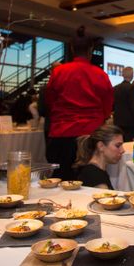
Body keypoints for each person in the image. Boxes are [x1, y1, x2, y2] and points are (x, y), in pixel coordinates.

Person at [45, 26, 114, 180]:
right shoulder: (100, 75)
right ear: (90, 49)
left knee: (60, 179)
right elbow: (107, 105)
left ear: (71, 48)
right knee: (88, 179)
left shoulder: (59, 72)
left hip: (61, 133)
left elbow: (50, 100)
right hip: (90, 135)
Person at [73, 124, 125, 189]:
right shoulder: (94, 175)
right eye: (117, 146)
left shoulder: (97, 171)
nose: (123, 150)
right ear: (101, 146)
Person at [113, 67, 134, 141]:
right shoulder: (132, 87)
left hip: (117, 121)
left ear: (122, 75)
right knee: (129, 145)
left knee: (120, 143)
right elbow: (133, 107)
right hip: (129, 123)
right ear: (132, 75)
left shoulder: (116, 88)